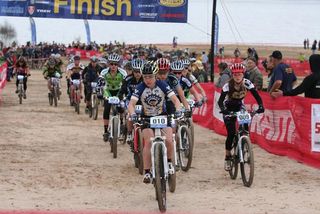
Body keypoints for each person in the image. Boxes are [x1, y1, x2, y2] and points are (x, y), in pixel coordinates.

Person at [127, 61, 182, 183]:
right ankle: (147, 172)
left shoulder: (162, 85)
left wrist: (178, 110)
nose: (148, 80)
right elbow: (131, 104)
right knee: (148, 142)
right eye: (145, 77)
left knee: (168, 140)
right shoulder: (140, 87)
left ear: (156, 76)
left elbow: (175, 100)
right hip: (146, 118)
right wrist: (134, 114)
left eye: (150, 76)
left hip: (162, 116)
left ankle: (169, 163)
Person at [217, 63, 264, 171]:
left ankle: (244, 143)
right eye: (235, 75)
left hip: (240, 107)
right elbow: (220, 101)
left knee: (245, 129)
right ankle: (228, 157)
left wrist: (261, 106)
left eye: (239, 74)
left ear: (243, 74)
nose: (237, 77)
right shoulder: (228, 85)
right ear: (232, 75)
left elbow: (257, 96)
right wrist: (224, 110)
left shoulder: (247, 83)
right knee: (231, 133)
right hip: (228, 108)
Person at [100, 53, 127, 141]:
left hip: (118, 91)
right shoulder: (104, 72)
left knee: (121, 108)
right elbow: (100, 83)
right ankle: (105, 131)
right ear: (108, 64)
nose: (113, 66)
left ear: (118, 65)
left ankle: (122, 124)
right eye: (111, 64)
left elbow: (126, 84)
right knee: (107, 108)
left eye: (115, 64)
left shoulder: (123, 73)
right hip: (108, 91)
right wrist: (98, 92)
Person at [118, 58, 144, 144]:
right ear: (132, 70)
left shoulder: (145, 79)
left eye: (139, 71)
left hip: (142, 101)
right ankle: (129, 133)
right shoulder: (127, 79)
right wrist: (121, 99)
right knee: (130, 115)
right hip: (130, 100)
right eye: (136, 71)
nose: (137, 73)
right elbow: (121, 91)